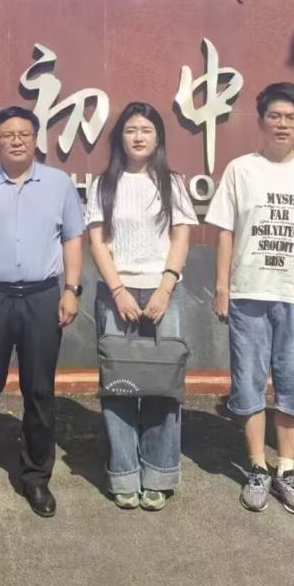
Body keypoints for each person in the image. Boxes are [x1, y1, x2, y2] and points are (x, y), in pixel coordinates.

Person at [208, 82, 294, 517]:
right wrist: (223, 286)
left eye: (291, 118)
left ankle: (286, 469)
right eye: (275, 116)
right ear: (261, 121)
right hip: (249, 293)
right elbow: (225, 231)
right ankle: (256, 467)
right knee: (248, 383)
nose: (282, 124)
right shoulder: (240, 170)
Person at [0, 106, 85, 518]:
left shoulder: (59, 184)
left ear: (35, 139)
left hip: (42, 297)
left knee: (40, 391)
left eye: (24, 134)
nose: (16, 140)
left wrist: (72, 289)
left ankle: (36, 478)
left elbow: (72, 238)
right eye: (7, 134)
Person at [86, 102, 197, 511]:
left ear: (158, 138)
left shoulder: (172, 183)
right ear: (120, 137)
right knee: (119, 386)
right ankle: (124, 474)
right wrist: (118, 290)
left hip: (163, 293)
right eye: (131, 129)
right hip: (117, 295)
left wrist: (166, 287)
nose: (138, 137)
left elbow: (181, 237)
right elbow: (97, 241)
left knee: (163, 386)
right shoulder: (104, 184)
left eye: (146, 130)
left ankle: (160, 473)